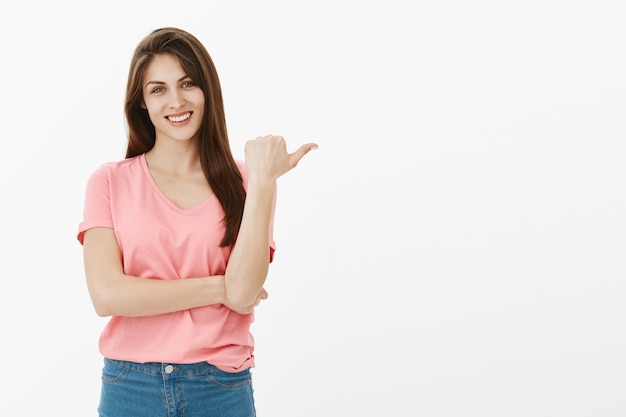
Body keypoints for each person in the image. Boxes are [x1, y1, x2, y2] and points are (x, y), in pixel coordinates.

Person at [77, 27, 317, 417]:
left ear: (207, 90)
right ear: (142, 103)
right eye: (158, 89)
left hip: (219, 386)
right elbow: (107, 296)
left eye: (187, 83)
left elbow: (243, 295)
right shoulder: (108, 182)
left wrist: (263, 182)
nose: (176, 101)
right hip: (130, 387)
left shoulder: (249, 183)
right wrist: (220, 287)